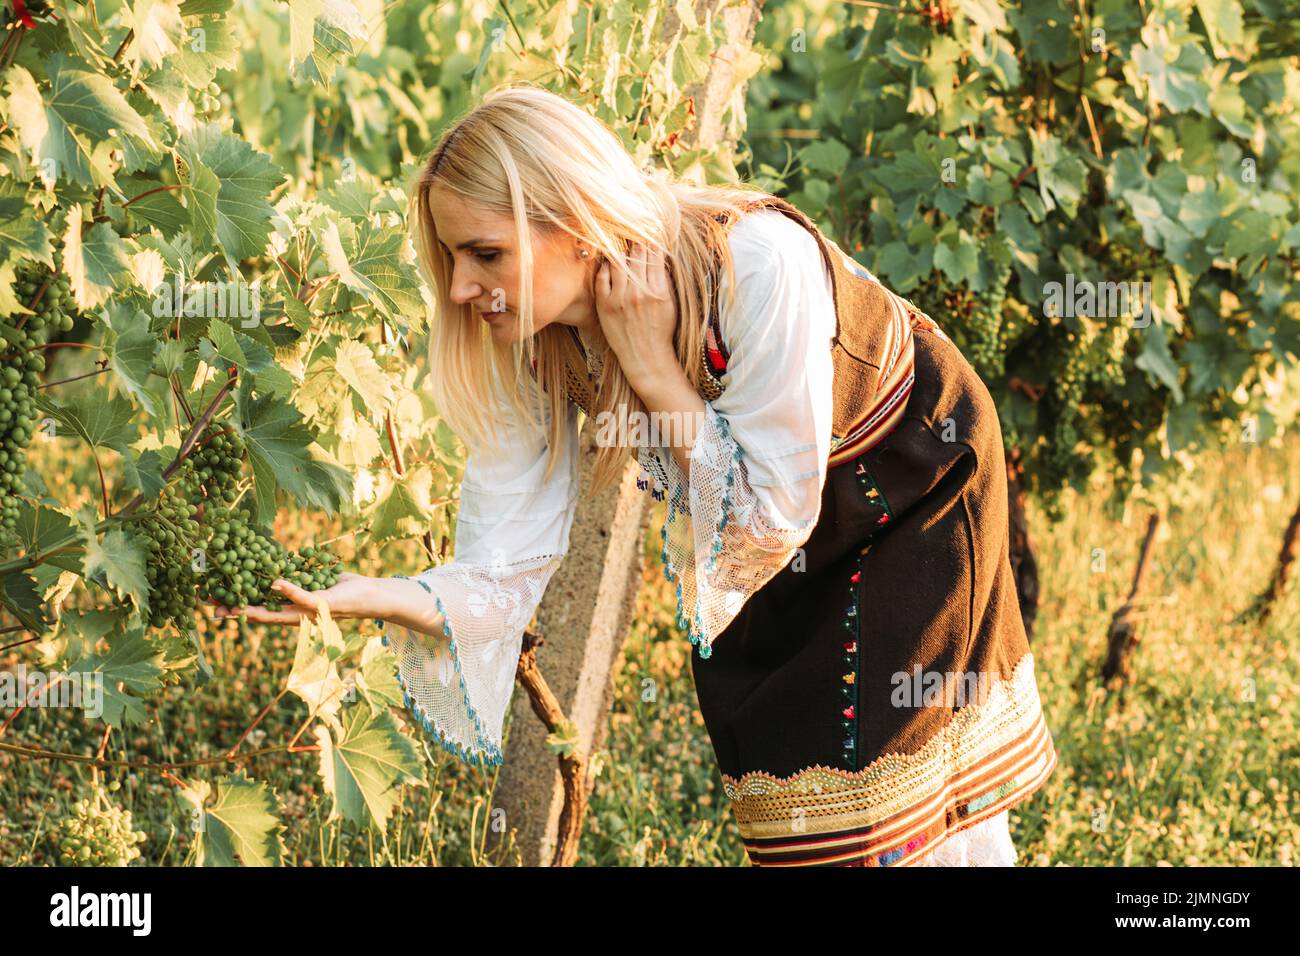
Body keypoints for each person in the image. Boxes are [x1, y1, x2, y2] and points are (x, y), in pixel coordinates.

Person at [215, 82, 1057, 867]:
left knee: (918, 813)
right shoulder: (536, 343)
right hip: (776, 523)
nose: (464, 286)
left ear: (573, 223)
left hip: (912, 488)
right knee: (807, 804)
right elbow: (503, 566)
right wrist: (374, 594)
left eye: (485, 253)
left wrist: (654, 368)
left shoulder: (757, 264)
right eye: (452, 258)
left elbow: (768, 512)